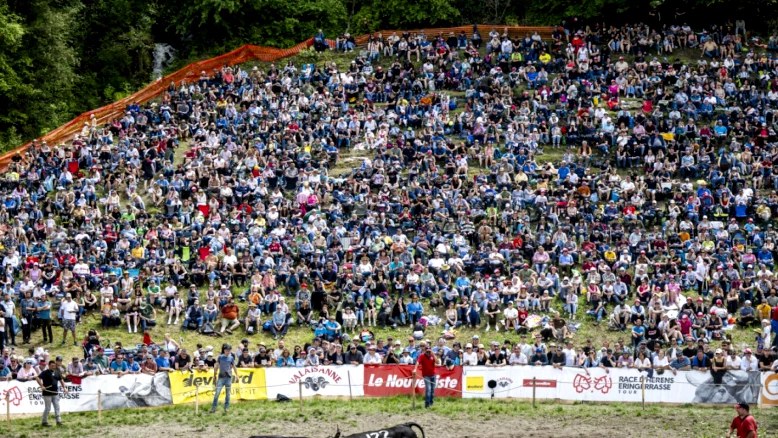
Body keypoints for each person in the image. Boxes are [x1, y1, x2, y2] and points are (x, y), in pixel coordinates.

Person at [35, 360, 68, 427]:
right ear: (49, 366)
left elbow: (61, 380)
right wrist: (42, 386)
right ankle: (44, 422)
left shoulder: (57, 372)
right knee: (48, 408)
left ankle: (58, 421)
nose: (53, 367)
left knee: (57, 407)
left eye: (54, 366)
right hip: (47, 393)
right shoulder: (45, 372)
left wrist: (64, 387)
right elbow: (37, 378)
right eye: (52, 366)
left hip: (55, 393)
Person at [211, 344, 238, 414]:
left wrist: (237, 375)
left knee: (228, 394)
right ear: (224, 350)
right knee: (217, 393)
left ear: (230, 351)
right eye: (226, 350)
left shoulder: (231, 358)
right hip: (221, 377)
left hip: (228, 378)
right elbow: (216, 366)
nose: (227, 352)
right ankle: (214, 407)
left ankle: (226, 407)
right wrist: (214, 375)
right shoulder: (220, 357)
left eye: (229, 351)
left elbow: (234, 366)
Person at [414, 344, 437, 408]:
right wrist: (415, 369)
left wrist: (433, 354)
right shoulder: (422, 356)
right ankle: (427, 404)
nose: (428, 353)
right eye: (427, 351)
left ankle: (431, 403)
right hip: (426, 375)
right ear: (425, 351)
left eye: (429, 351)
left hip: (433, 375)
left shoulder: (432, 356)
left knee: (432, 389)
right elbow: (417, 362)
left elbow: (437, 362)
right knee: (428, 389)